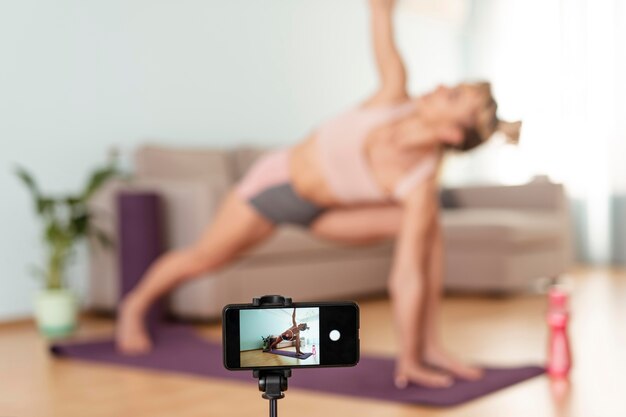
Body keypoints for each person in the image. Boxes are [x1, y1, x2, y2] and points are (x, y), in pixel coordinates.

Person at [116, 0, 520, 389]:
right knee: (206, 257)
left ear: (451, 133)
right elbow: (380, 12)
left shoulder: (419, 181)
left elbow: (407, 275)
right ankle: (135, 305)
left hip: (326, 214)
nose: (442, 86)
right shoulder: (394, 95)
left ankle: (424, 350)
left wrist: (406, 357)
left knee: (426, 221)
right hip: (273, 188)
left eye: (453, 96)